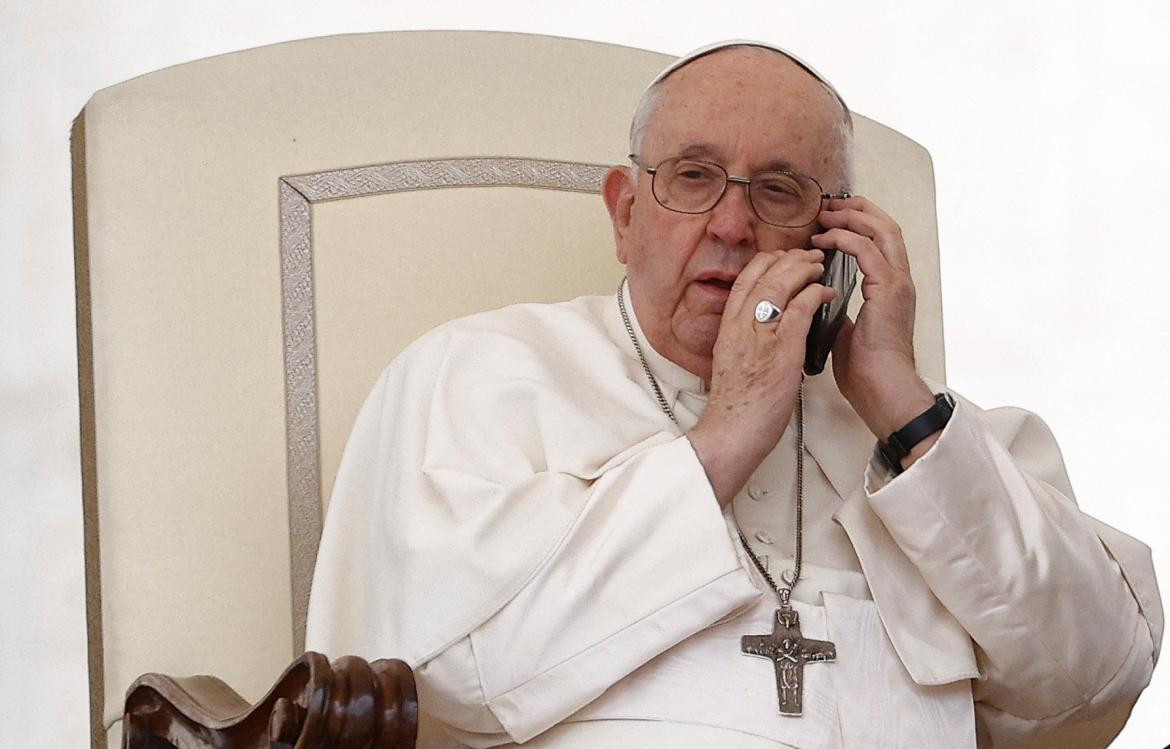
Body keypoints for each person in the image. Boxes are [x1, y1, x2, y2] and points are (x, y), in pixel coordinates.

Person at [306, 41, 1162, 747]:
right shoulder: (476, 374)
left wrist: (903, 407)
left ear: (836, 237)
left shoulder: (926, 436)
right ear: (624, 213)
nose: (730, 224)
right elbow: (439, 679)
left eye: (779, 190)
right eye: (692, 176)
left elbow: (1096, 675)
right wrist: (723, 438)